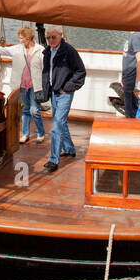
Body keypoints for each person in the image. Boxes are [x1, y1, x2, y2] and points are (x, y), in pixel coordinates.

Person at [0, 25, 47, 144]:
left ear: (29, 38)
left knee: (34, 111)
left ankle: (40, 133)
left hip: (35, 86)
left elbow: (46, 67)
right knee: (25, 110)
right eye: (20, 38)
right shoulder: (17, 49)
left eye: (22, 38)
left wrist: (46, 83)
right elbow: (2, 50)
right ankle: (25, 134)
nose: (20, 40)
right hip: (21, 86)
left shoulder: (40, 50)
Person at [41, 26, 85, 172]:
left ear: (61, 35)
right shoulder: (48, 51)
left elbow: (80, 71)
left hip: (64, 93)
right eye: (48, 38)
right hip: (54, 92)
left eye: (53, 37)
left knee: (57, 125)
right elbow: (46, 72)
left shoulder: (69, 51)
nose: (50, 40)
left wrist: (67, 87)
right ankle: (69, 148)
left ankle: (53, 159)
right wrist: (46, 89)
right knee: (60, 122)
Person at [120, 31, 140, 118]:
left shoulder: (137, 37)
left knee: (132, 114)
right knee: (130, 111)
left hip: (133, 80)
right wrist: (123, 77)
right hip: (128, 79)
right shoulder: (133, 36)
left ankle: (132, 130)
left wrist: (138, 85)